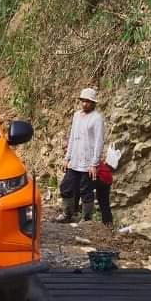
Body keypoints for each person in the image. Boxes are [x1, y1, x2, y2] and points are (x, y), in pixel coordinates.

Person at [58, 86, 105, 223]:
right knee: (66, 186)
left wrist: (94, 164)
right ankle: (67, 214)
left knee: (86, 190)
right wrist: (67, 158)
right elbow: (72, 137)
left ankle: (86, 219)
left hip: (88, 162)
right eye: (83, 101)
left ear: (93, 103)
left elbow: (99, 142)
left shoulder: (97, 118)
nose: (85, 104)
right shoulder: (77, 116)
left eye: (88, 101)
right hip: (74, 160)